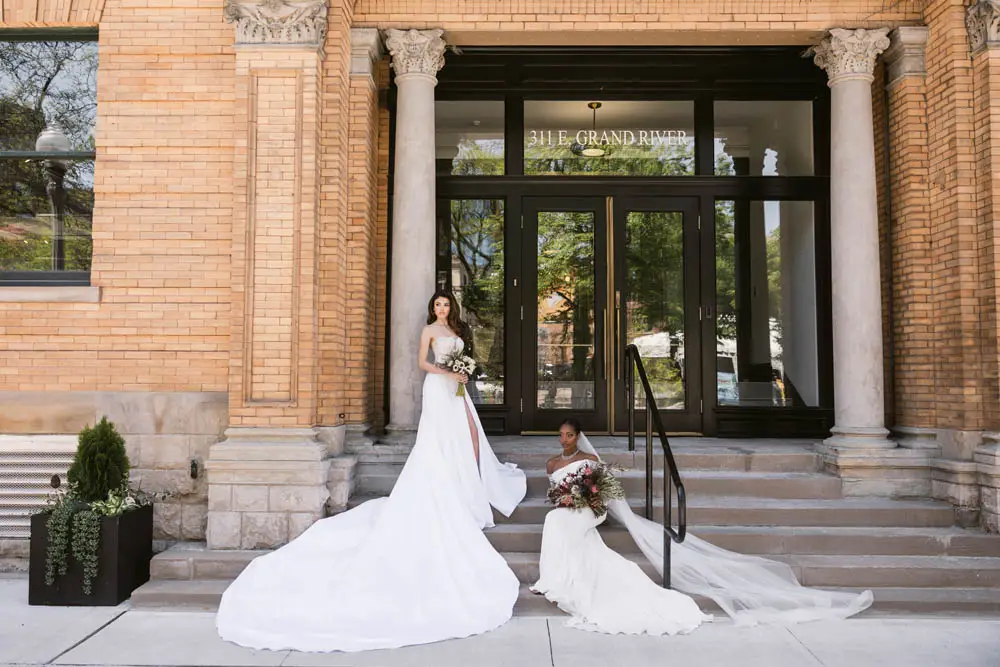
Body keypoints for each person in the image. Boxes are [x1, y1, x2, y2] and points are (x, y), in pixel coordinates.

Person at [215, 290, 527, 653]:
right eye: (438, 305)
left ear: (451, 308)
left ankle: (470, 477)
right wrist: (448, 371)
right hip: (438, 387)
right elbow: (422, 363)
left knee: (468, 432)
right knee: (440, 435)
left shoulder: (458, 329)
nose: (442, 309)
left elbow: (465, 358)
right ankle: (445, 478)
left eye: (445, 304)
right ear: (432, 308)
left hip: (455, 387)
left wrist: (463, 372)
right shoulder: (429, 330)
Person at [532, 419, 874, 635]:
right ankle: (555, 576)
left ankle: (561, 577)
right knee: (554, 518)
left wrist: (579, 498)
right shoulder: (550, 462)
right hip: (568, 507)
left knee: (562, 523)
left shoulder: (590, 460)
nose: (565, 440)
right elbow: (553, 492)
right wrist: (562, 498)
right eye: (561, 435)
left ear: (579, 436)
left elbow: (599, 494)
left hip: (591, 509)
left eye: (570, 435)